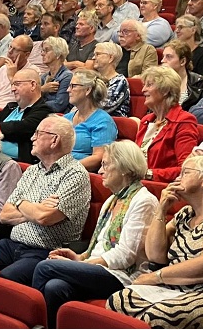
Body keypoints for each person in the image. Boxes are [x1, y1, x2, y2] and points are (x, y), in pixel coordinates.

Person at [109, 155, 203, 328]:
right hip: (180, 290)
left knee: (158, 316)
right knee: (118, 301)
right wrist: (161, 209)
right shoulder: (185, 214)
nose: (177, 178)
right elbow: (154, 254)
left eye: (185, 172)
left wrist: (157, 277)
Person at [32, 140, 158, 327]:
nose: (100, 171)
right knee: (54, 287)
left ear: (124, 167)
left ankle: (36, 325)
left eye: (105, 165)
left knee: (45, 268)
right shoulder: (112, 200)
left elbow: (125, 257)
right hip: (99, 269)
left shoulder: (144, 201)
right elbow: (98, 246)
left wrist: (82, 264)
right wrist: (80, 258)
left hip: (122, 276)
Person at [0, 116, 90, 285]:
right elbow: (4, 215)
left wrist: (21, 203)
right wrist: (36, 209)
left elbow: (45, 218)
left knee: (6, 279)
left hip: (44, 251)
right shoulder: (32, 171)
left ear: (54, 140)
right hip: (12, 244)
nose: (32, 138)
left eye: (38, 133)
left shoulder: (75, 174)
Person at [136, 66, 198, 183]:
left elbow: (186, 169)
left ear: (165, 91)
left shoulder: (184, 121)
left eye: (149, 85)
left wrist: (148, 174)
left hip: (161, 187)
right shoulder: (146, 120)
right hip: (140, 184)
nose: (143, 90)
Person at [64, 69, 118, 173]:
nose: (68, 90)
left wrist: (67, 169)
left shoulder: (103, 121)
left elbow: (98, 158)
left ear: (88, 90)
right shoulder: (66, 119)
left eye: (73, 86)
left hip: (81, 174)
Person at [0, 69, 53, 163]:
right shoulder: (10, 107)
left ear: (33, 85)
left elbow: (21, 129)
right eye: (12, 85)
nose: (12, 89)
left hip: (17, 164)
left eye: (17, 84)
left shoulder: (43, 110)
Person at [162, 40, 203, 111]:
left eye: (169, 57)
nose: (163, 61)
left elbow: (202, 111)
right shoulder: (158, 81)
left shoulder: (200, 83)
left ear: (182, 61)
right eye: (163, 56)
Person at [91, 42, 131, 117]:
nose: (93, 58)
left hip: (109, 123)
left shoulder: (119, 81)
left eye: (98, 54)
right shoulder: (93, 79)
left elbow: (103, 106)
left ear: (110, 58)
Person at [40, 36, 73, 113]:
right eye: (42, 50)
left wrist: (36, 105)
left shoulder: (67, 76)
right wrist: (42, 90)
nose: (42, 54)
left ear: (58, 54)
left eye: (46, 50)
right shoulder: (43, 77)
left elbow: (59, 105)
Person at [173, 15, 203, 80]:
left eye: (181, 27)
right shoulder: (174, 52)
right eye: (176, 28)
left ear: (193, 30)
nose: (177, 31)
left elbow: (201, 81)